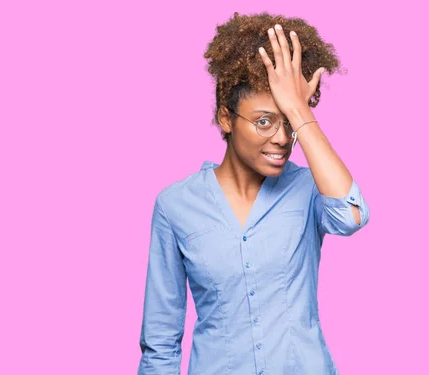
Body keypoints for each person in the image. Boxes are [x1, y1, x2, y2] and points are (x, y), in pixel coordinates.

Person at [137, 12, 370, 375]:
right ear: (226, 118)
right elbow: (161, 341)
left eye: (288, 124)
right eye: (264, 121)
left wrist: (299, 109)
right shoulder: (175, 205)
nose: (281, 138)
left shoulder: (310, 190)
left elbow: (351, 215)